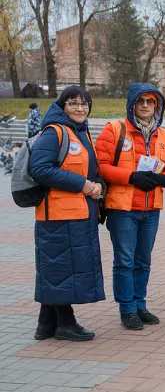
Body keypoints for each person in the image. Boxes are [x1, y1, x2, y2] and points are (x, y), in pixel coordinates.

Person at [96, 83, 165, 330]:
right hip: (123, 208)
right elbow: (101, 166)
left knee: (143, 260)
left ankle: (140, 304)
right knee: (125, 260)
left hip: (151, 208)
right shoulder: (114, 130)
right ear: (132, 104)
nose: (146, 106)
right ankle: (127, 308)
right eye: (141, 101)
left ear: (157, 106)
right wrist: (130, 177)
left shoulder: (163, 135)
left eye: (151, 102)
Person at [30, 87, 104, 341]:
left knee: (59, 269)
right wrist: (83, 185)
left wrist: (97, 184)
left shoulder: (79, 132)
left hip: (76, 212)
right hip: (59, 215)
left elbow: (89, 168)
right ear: (63, 106)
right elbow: (40, 169)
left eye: (85, 104)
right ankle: (65, 324)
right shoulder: (55, 132)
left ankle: (46, 324)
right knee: (62, 269)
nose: (80, 108)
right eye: (73, 103)